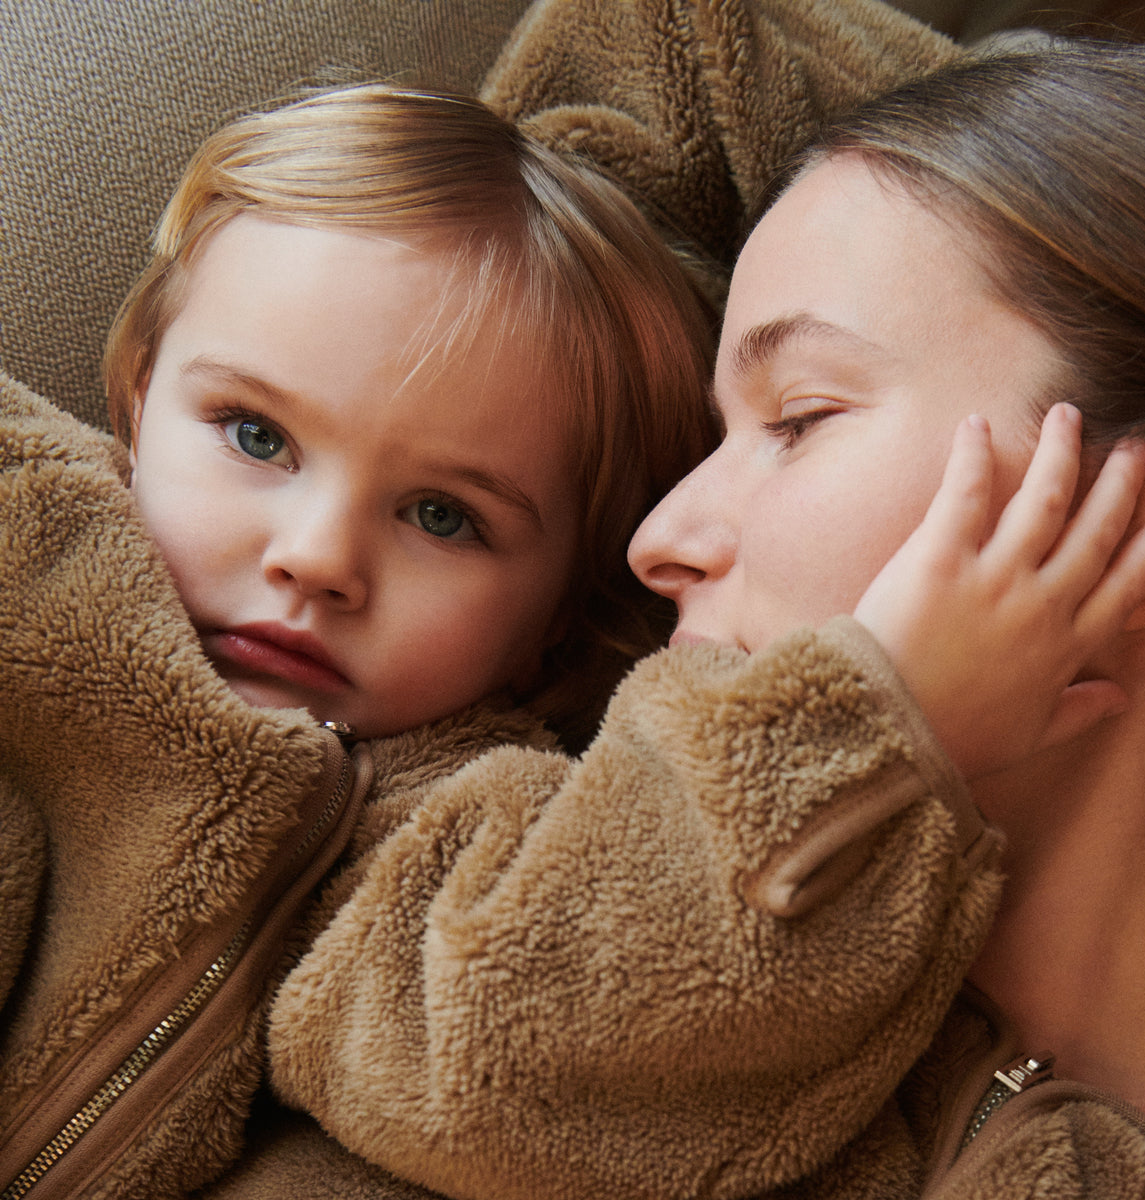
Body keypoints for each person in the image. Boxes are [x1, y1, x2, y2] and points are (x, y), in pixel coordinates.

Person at [227, 38, 1145, 1200]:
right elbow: (668, 38)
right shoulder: (494, 914)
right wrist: (868, 735)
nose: (657, 537)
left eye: (798, 418)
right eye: (708, 440)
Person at [0, 81, 716, 1198]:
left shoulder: (474, 849)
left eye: (443, 517)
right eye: (256, 435)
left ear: (556, 623)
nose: (319, 557)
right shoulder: (25, 550)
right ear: (139, 401)